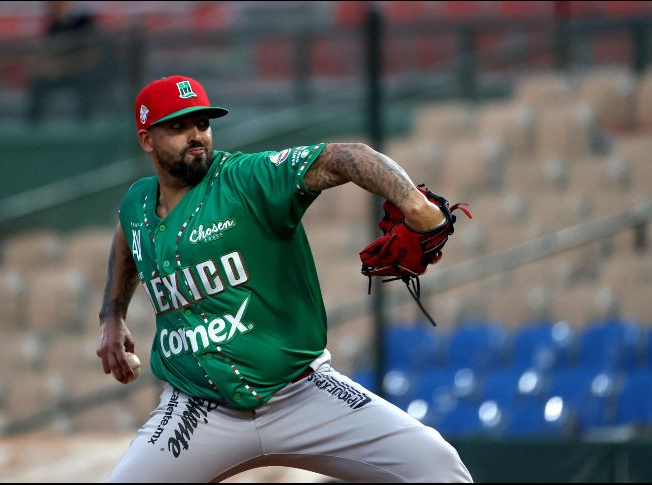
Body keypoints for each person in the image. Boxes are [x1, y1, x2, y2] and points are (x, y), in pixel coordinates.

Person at [96, 75, 473, 483]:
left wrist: (414, 204)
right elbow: (127, 238)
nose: (196, 135)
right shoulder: (137, 202)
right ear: (146, 139)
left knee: (437, 465)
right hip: (197, 408)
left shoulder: (246, 179)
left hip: (303, 394)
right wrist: (112, 316)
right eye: (178, 126)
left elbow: (344, 156)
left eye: (202, 123)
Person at [25, 1, 109, 123]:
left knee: (87, 82)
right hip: (59, 73)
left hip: (81, 72)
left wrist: (63, 66)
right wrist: (46, 67)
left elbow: (92, 56)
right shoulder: (54, 26)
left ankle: (86, 124)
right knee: (38, 83)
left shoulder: (84, 22)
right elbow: (48, 53)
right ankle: (33, 126)